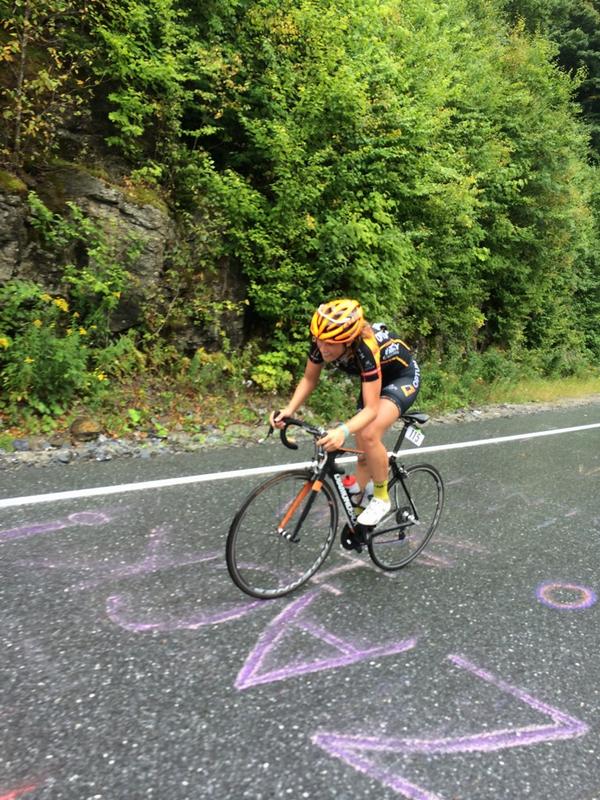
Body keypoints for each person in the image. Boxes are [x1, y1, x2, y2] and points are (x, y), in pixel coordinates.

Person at [270, 298, 421, 527]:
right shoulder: (321, 340)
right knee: (363, 453)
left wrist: (342, 430)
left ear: (349, 341)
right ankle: (360, 509)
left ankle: (381, 497)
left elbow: (371, 410)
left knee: (369, 433)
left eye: (330, 343)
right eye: (320, 341)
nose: (323, 347)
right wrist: (288, 410)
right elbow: (310, 378)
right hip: (374, 382)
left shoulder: (365, 349)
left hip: (401, 377)